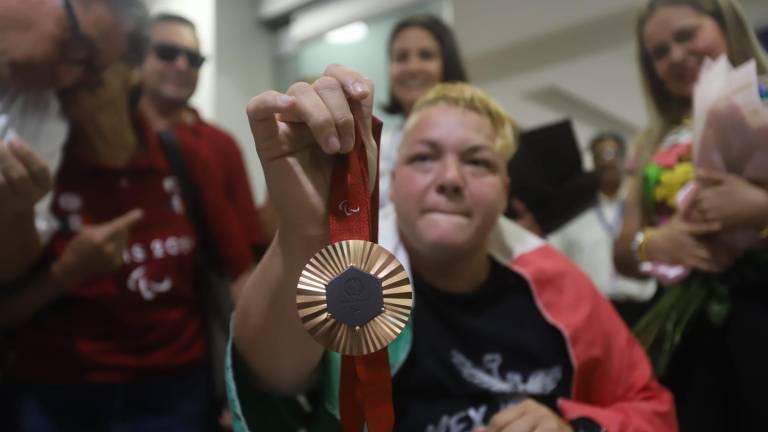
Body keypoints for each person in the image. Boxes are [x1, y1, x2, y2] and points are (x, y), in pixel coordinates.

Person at [227, 66, 676, 431]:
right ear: (393, 183)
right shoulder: (355, 278)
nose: (449, 179)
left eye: (477, 161)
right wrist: (306, 229)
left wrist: (573, 428)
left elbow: (651, 409)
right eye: (424, 157)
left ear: (504, 191)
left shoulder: (557, 286)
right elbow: (271, 377)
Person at [0, 49, 258, 431]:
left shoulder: (180, 155)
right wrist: (66, 273)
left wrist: (252, 383)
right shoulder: (43, 169)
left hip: (178, 390)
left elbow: (240, 274)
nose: (71, 79)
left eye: (90, 60)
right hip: (58, 391)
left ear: (131, 73)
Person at [613, 0, 768, 430]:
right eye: (659, 53)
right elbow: (624, 251)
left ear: (726, 25)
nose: (676, 57)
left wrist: (759, 207)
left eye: (686, 36)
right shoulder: (652, 139)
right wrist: (653, 243)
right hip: (687, 328)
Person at [0, 0, 148, 283]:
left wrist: (15, 212)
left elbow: (8, 275)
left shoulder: (43, 114)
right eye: (75, 45)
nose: (66, 78)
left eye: (87, 72)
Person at [138, 13, 269, 272]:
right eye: (167, 53)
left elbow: (249, 243)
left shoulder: (220, 145)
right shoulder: (106, 139)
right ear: (136, 57)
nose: (181, 65)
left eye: (194, 59)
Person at [549, 133, 656, 324]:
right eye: (599, 156)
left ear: (625, 160)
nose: (607, 161)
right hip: (588, 313)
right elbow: (554, 261)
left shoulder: (644, 208)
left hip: (641, 313)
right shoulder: (574, 212)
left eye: (612, 153)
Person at [378, 14, 468, 209]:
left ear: (447, 64)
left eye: (426, 55)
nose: (412, 67)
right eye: (401, 57)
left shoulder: (478, 137)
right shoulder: (379, 149)